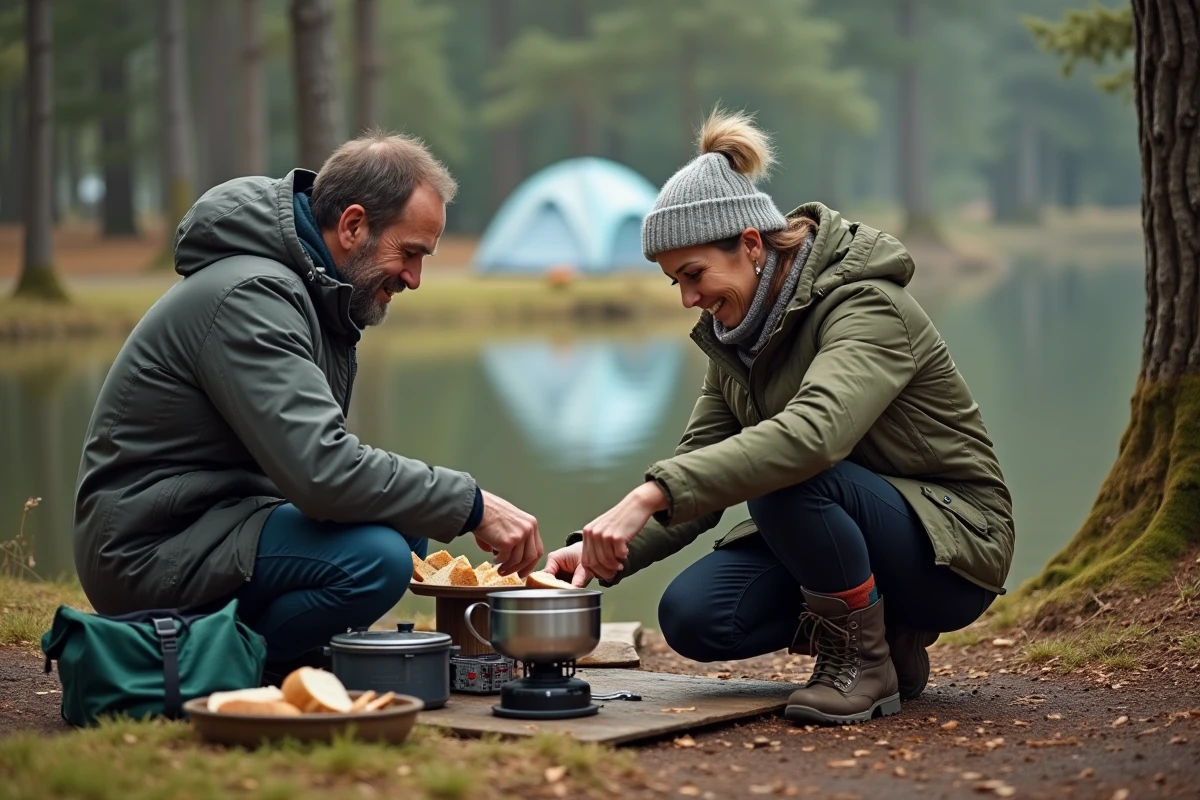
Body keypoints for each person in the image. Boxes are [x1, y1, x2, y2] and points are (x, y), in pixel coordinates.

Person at [544, 109, 1014, 726]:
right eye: (674, 282)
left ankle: (864, 666)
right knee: (696, 614)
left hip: (953, 545)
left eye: (694, 274)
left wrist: (647, 494)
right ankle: (889, 639)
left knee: (785, 470)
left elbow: (813, 437)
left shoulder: (866, 305)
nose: (689, 299)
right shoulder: (737, 337)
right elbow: (697, 471)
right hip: (833, 516)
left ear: (750, 244)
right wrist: (598, 551)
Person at [72, 132, 544, 681]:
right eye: (410, 253)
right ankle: (233, 668)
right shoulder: (251, 297)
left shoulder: (306, 293)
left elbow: (317, 468)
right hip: (148, 547)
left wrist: (443, 506)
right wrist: (473, 504)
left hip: (217, 522)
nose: (415, 278)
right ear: (352, 226)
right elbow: (321, 472)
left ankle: (289, 653)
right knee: (376, 560)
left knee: (408, 529)